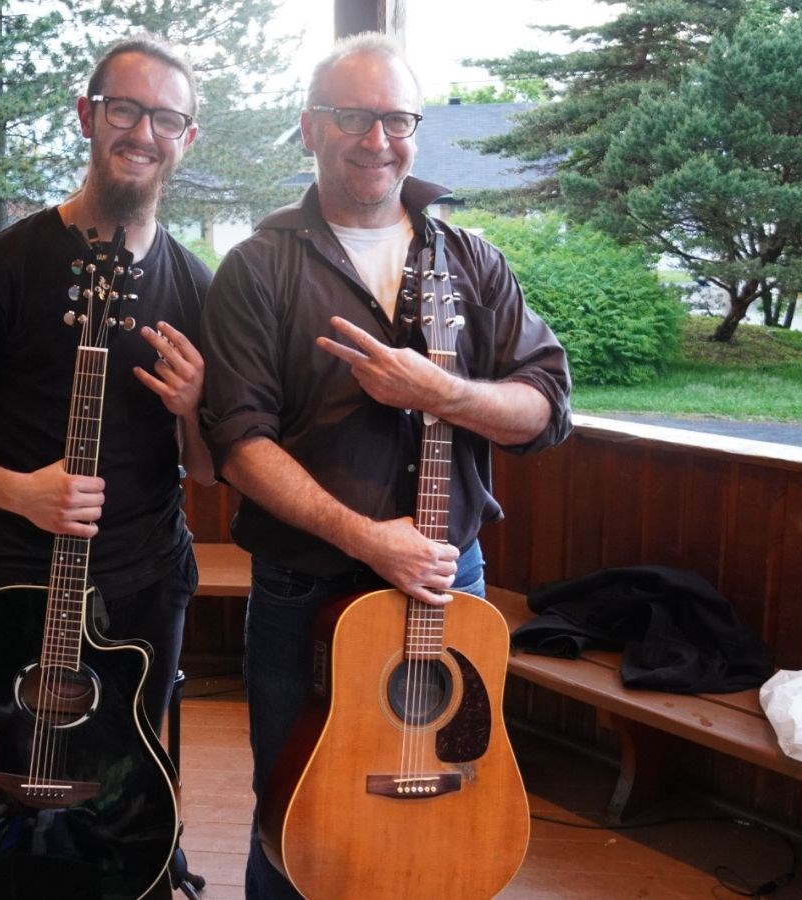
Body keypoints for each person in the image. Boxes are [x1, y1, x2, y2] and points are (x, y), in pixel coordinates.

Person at [197, 33, 573, 899]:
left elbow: (546, 408)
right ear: (309, 129)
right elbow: (240, 446)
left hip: (451, 583)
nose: (377, 139)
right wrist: (372, 540)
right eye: (352, 117)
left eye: (396, 118)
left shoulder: (469, 259)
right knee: (296, 815)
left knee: (453, 804)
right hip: (307, 590)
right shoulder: (259, 268)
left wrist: (442, 391)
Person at [0, 33, 214, 735]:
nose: (143, 134)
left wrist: (196, 410)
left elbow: (203, 467)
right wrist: (22, 492)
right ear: (87, 115)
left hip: (146, 577)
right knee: (10, 771)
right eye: (124, 111)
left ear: (187, 138)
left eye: (165, 119)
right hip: (17, 577)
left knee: (129, 778)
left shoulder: (200, 286)